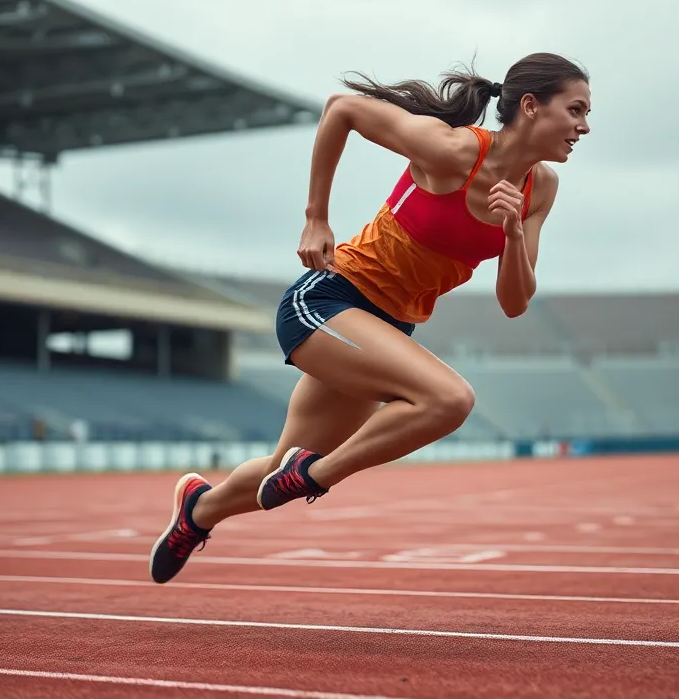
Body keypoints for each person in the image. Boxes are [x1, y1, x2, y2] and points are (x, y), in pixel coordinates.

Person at [149, 52, 592, 584]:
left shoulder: (540, 190)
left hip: (385, 328)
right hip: (330, 300)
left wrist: (514, 234)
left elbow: (515, 301)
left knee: (278, 470)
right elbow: (342, 110)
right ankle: (317, 475)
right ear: (530, 107)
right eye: (576, 110)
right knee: (449, 400)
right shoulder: (451, 150)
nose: (584, 127)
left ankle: (197, 511)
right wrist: (316, 219)